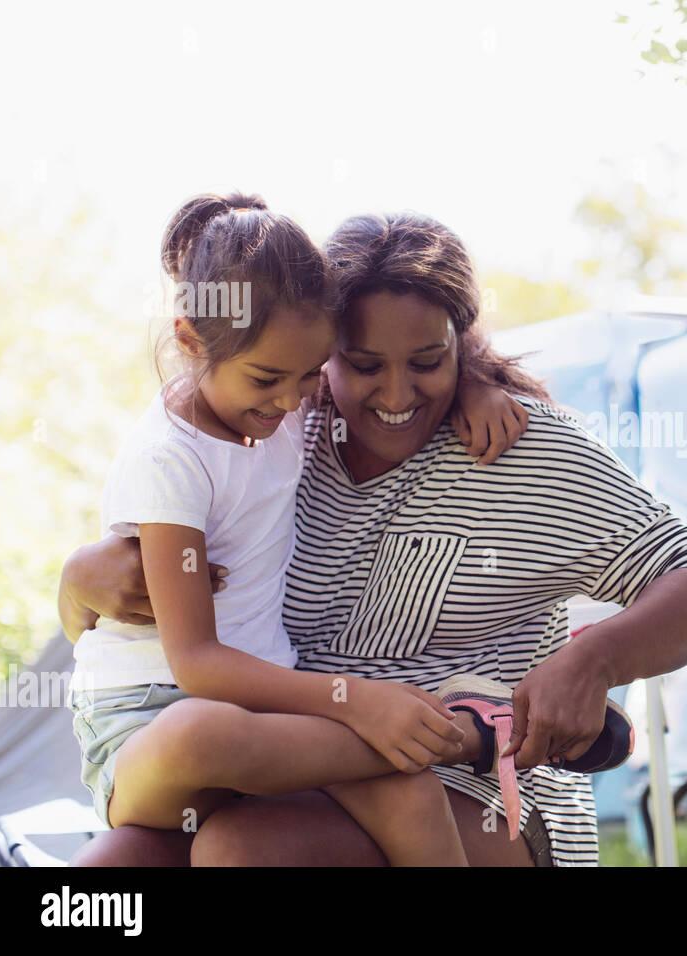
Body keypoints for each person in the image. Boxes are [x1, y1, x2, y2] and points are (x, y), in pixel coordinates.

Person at [58, 210, 687, 866]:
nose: (395, 394)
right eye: (361, 363)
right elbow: (182, 469)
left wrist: (598, 661)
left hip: (485, 796)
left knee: (247, 851)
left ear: (462, 343)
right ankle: (458, 736)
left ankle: (473, 734)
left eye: (427, 361)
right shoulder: (287, 425)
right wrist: (77, 578)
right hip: (279, 752)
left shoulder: (524, 448)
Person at [64, 193, 531, 866]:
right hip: (150, 724)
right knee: (206, 730)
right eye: (268, 378)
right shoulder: (170, 460)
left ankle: (434, 735)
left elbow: (399, 356)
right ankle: (464, 734)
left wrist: (476, 380)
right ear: (191, 340)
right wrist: (359, 702)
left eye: (312, 374)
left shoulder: (276, 401)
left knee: (407, 790)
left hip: (270, 710)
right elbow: (195, 663)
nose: (292, 401)